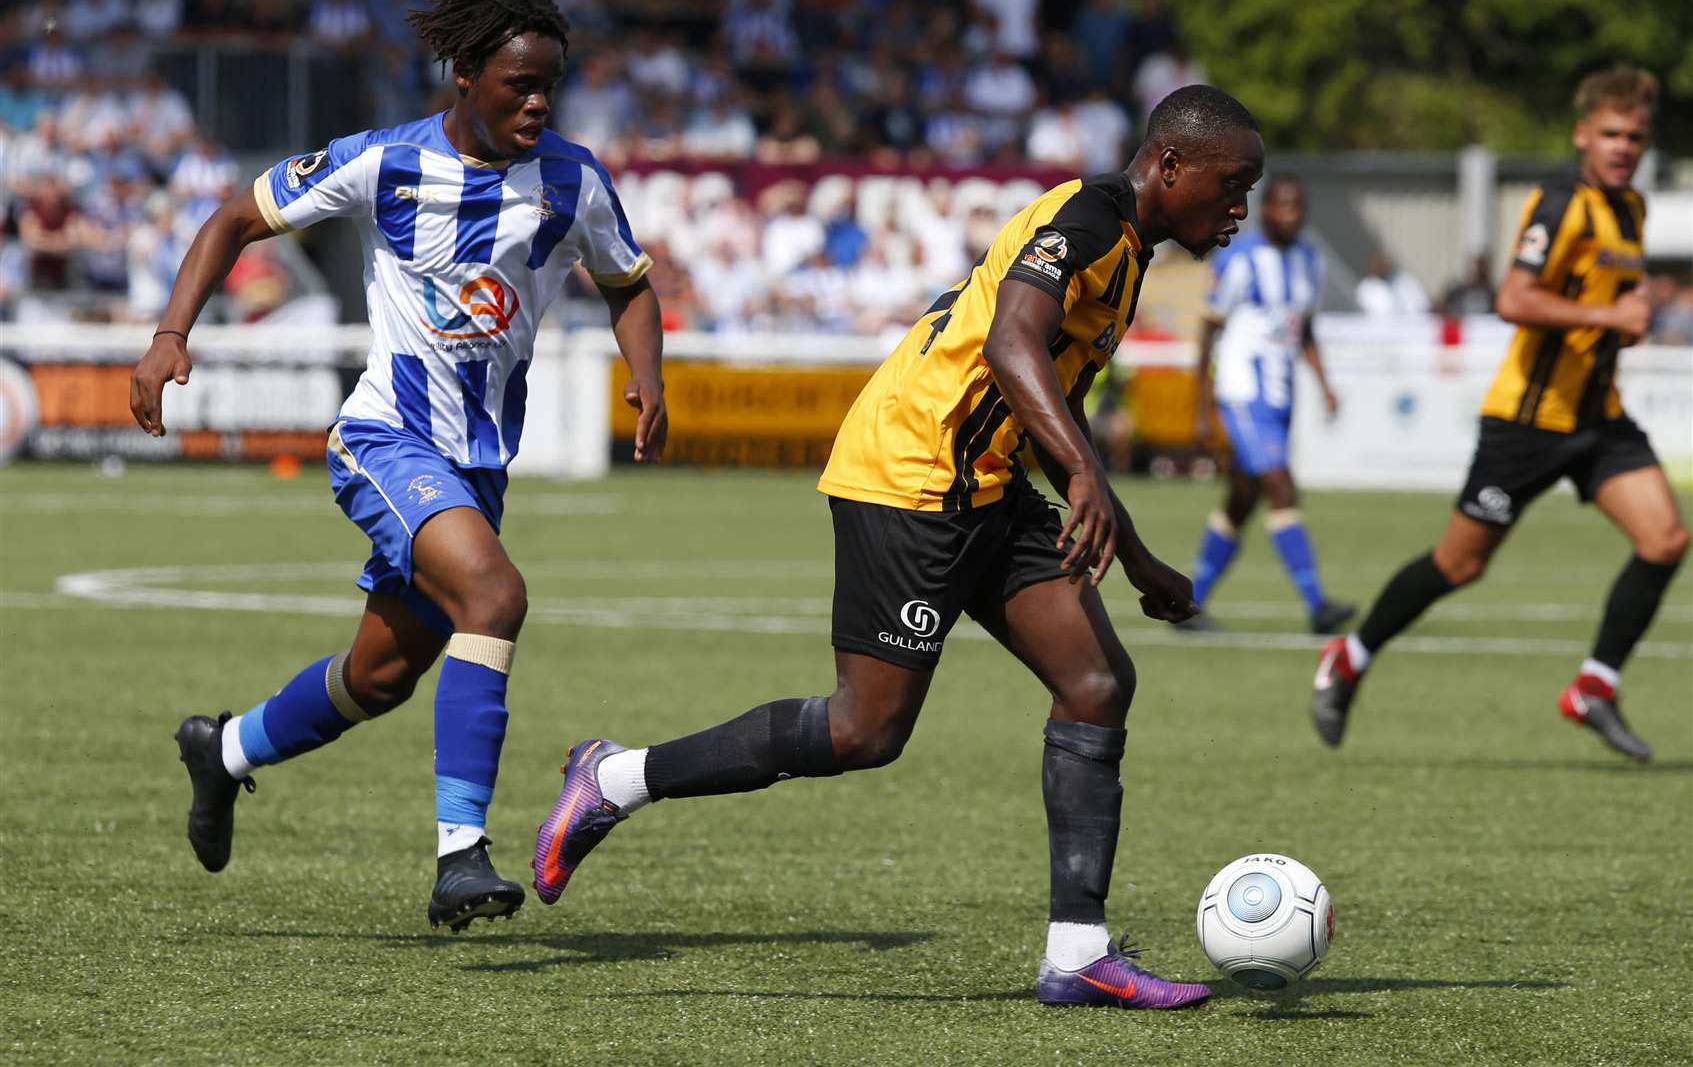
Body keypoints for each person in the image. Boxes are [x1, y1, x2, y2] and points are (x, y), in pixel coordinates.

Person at [531, 85, 1267, 1010]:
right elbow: (1011, 345)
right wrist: (1081, 476)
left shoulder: (1125, 257)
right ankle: (615, 776)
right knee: (863, 731)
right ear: (1167, 165)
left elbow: (1052, 397)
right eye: (1230, 184)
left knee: (1096, 683)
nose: (1237, 206)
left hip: (986, 485)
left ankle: (1077, 952)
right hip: (910, 474)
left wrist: (1137, 547)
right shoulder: (1085, 218)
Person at [128, 0, 668, 931]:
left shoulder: (573, 181)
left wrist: (649, 378)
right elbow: (231, 223)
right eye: (519, 86)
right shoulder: (383, 162)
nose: (538, 104)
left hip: (479, 468)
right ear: (465, 77)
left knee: (379, 678)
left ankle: (223, 752)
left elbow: (629, 283)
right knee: (494, 598)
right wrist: (172, 333)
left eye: (550, 87)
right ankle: (461, 854)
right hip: (385, 439)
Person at [1310, 65, 1686, 762]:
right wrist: (1607, 313)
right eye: (1608, 133)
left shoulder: (1630, 210)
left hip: (1598, 418)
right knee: (1458, 565)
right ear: (1581, 134)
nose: (1621, 146)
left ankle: (1593, 688)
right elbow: (1514, 299)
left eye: (1633, 135)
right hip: (1526, 424)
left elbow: (1606, 305)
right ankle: (1350, 655)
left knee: (1664, 539)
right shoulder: (1557, 204)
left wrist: (1621, 322)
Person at [1182, 175, 1353, 634]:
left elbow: (1306, 330)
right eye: (1282, 206)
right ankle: (1317, 605)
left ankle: (1188, 603)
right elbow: (1208, 330)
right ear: (1267, 209)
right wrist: (1201, 408)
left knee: (1243, 498)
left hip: (1281, 395)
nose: (1291, 215)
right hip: (1242, 392)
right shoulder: (1240, 259)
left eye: (1298, 207)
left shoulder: (1309, 261)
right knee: (1281, 485)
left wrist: (1324, 383)